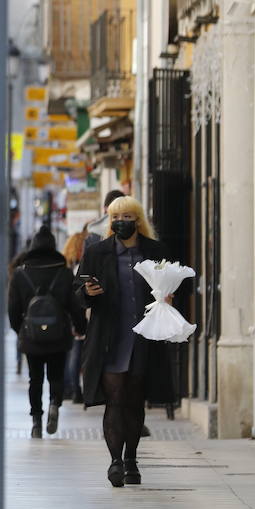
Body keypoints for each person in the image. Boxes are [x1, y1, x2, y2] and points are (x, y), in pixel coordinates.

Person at [80, 196, 175, 488]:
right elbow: (77, 293)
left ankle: (132, 458)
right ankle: (115, 462)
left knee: (134, 400)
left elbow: (177, 283)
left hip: (143, 338)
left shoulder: (155, 251)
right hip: (110, 337)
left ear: (138, 220)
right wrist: (89, 293)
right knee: (115, 399)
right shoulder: (97, 252)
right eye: (115, 217)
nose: (120, 222)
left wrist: (169, 295)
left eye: (126, 217)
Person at [7, 226, 85, 439]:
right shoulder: (64, 273)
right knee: (56, 375)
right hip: (58, 336)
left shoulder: (20, 275)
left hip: (31, 337)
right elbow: (74, 306)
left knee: (35, 378)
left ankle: (36, 422)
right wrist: (80, 328)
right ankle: (54, 405)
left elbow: (13, 310)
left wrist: (21, 330)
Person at [62, 230, 89, 403]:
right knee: (76, 354)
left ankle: (70, 389)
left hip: (67, 317)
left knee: (72, 354)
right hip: (77, 316)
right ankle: (75, 390)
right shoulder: (78, 269)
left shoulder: (67, 268)